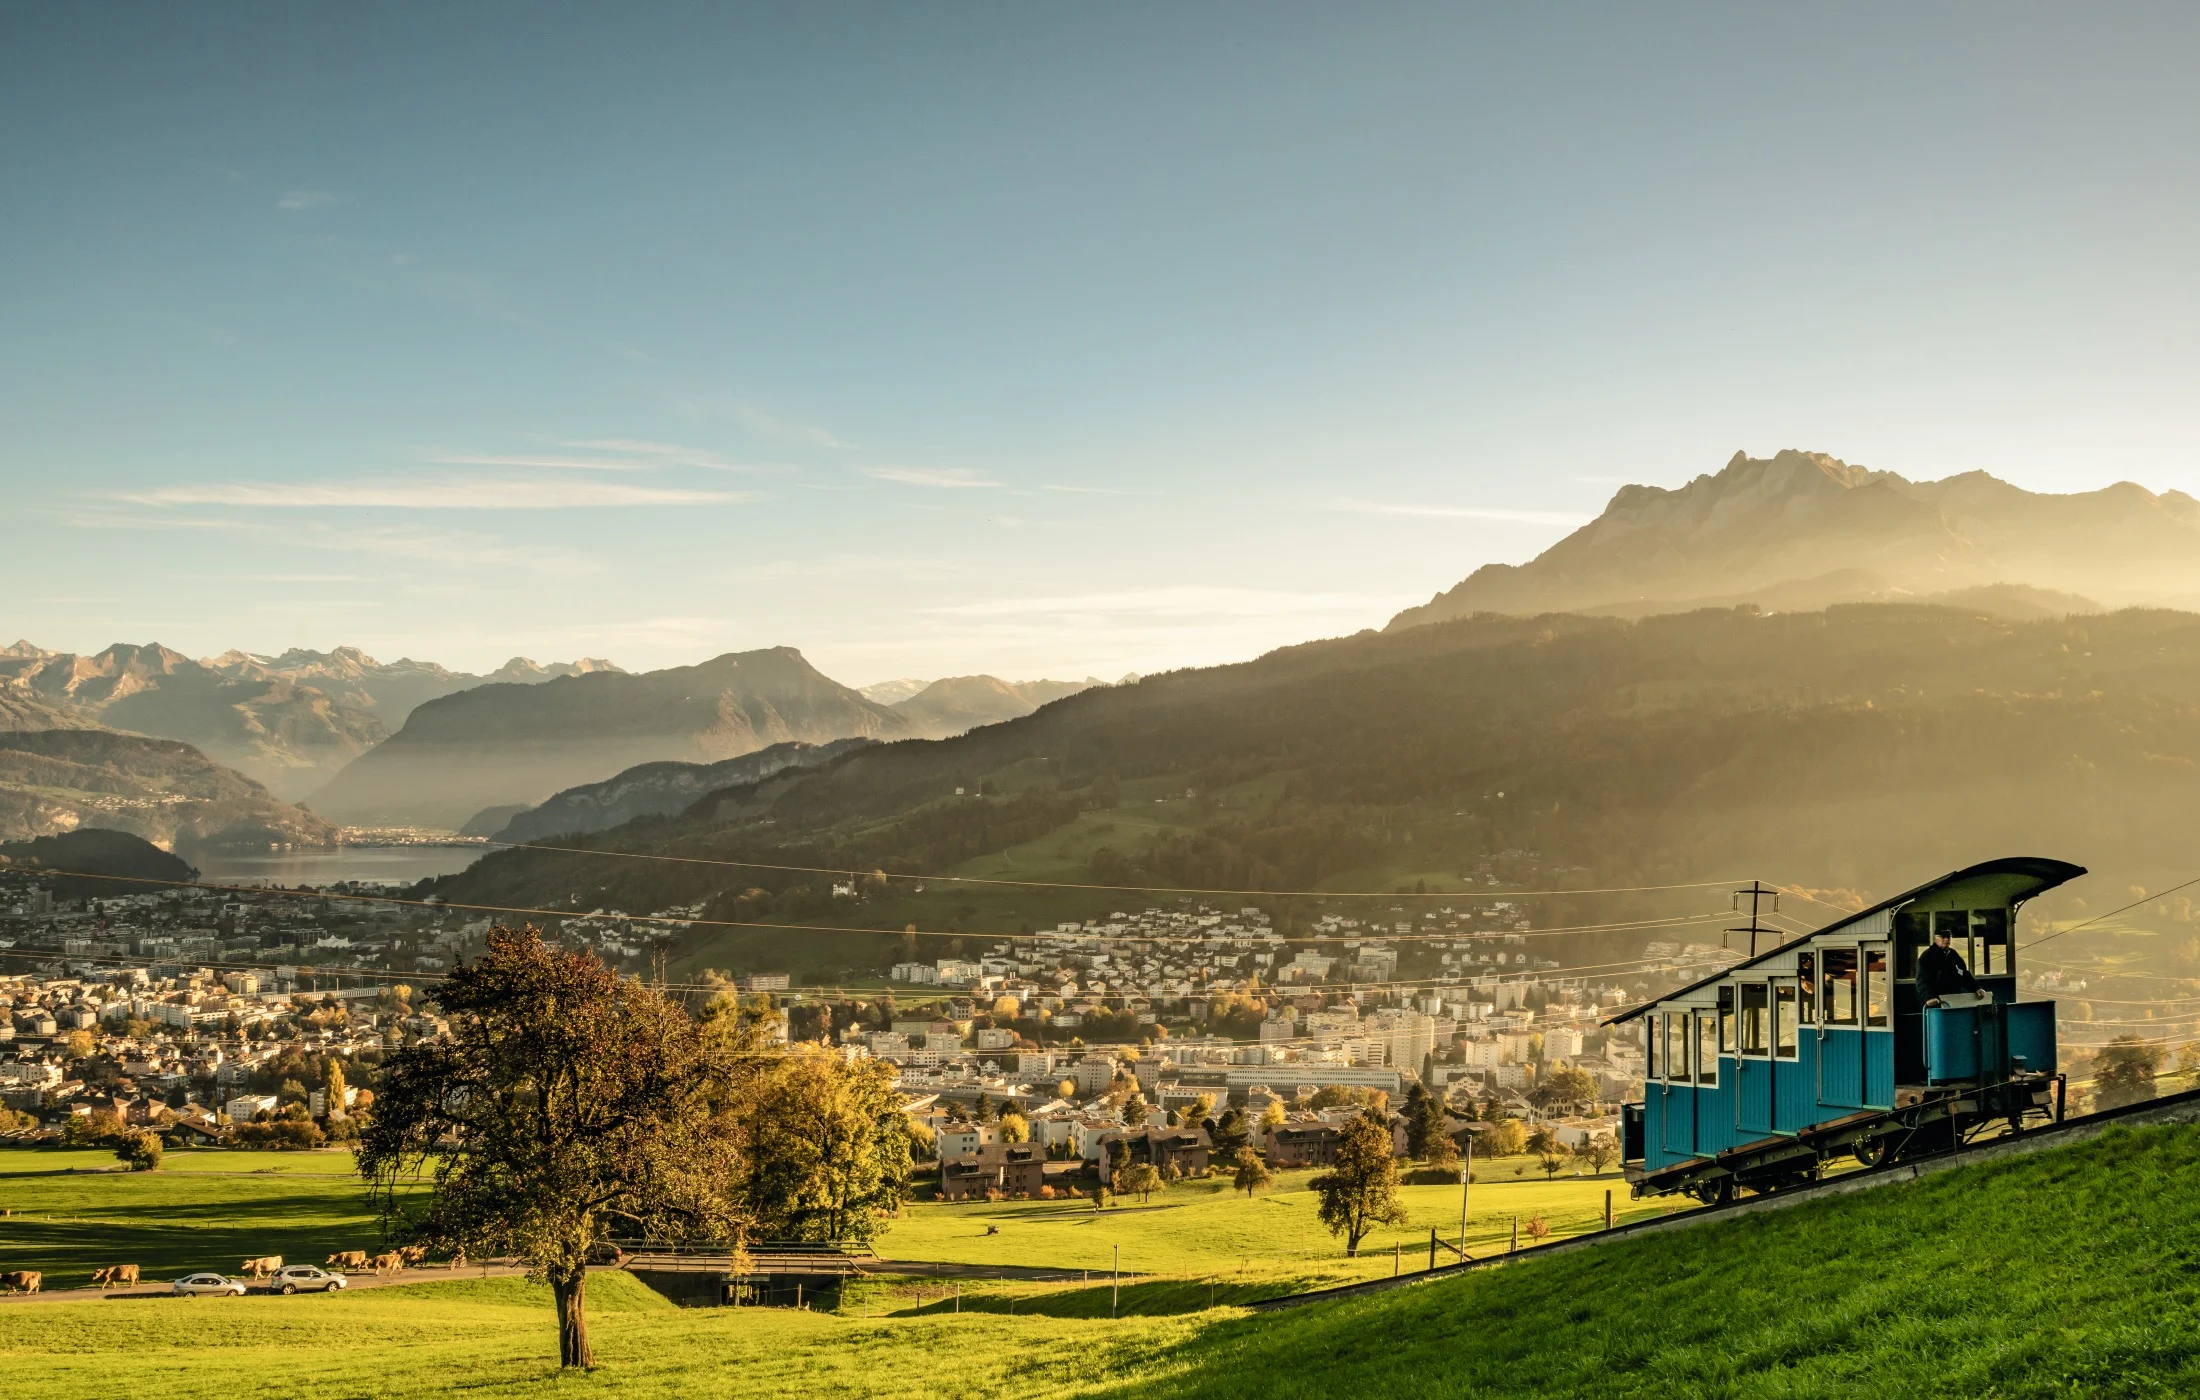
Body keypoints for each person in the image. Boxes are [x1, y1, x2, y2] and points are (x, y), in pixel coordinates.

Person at [1915, 927, 1979, 1006]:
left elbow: (1963, 973)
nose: (1946, 939)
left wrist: (1976, 988)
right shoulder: (1927, 956)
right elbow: (1921, 980)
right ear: (1935, 938)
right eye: (1943, 937)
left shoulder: (1953, 954)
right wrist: (1928, 997)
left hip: (1954, 1000)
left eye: (1948, 937)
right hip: (1936, 1001)